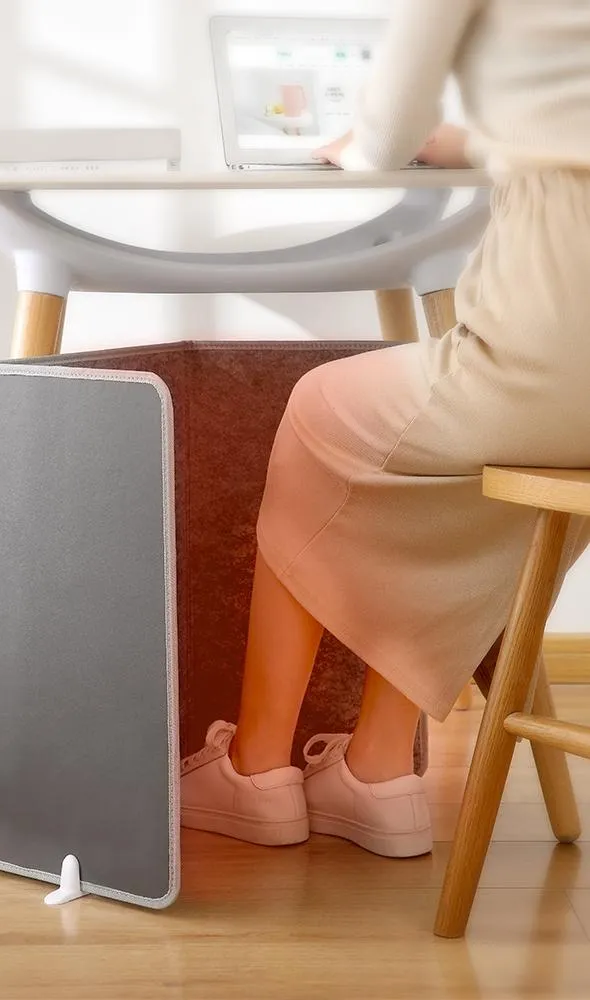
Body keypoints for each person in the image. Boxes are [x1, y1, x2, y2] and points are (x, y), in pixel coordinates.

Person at [180, 0, 590, 857]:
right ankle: (377, 774)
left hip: (542, 373)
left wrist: (373, 141)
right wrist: (473, 145)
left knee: (319, 409)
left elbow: (382, 127)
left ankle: (256, 773)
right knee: (491, 476)